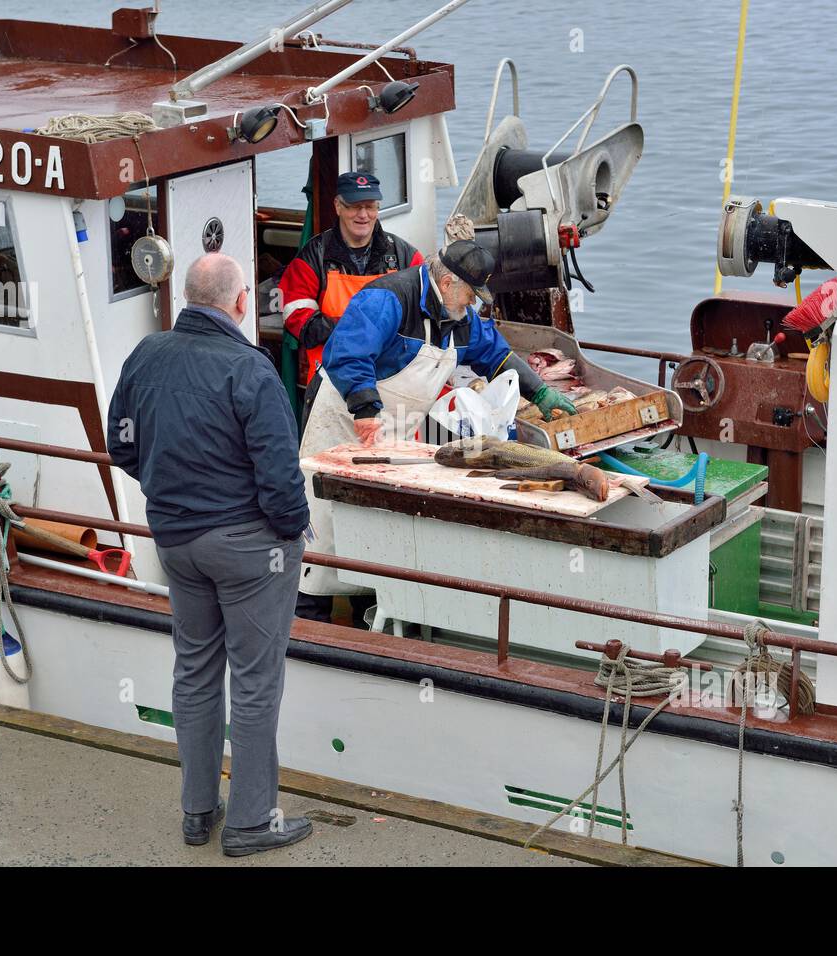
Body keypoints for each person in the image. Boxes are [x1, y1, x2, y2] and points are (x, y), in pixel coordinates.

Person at [106, 252, 314, 857]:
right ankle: (251, 821)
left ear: (185, 299)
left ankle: (198, 812)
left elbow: (120, 442)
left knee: (193, 671)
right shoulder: (250, 370)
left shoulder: (146, 355)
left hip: (176, 539)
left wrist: (164, 488)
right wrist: (295, 531)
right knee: (254, 681)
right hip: (250, 549)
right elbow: (279, 478)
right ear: (240, 302)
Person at [294, 238, 579, 616]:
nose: (473, 304)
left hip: (389, 435)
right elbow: (350, 354)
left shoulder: (461, 322)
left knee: (373, 525)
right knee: (323, 523)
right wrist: (364, 410)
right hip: (343, 420)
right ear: (447, 284)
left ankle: (368, 613)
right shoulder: (389, 298)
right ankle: (307, 620)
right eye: (470, 295)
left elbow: (497, 355)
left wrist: (540, 392)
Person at [279, 171, 423, 388]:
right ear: (338, 206)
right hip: (329, 379)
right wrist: (355, 332)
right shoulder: (313, 255)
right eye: (355, 206)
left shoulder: (406, 256)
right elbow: (295, 314)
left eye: (370, 206)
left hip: (392, 378)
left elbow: (425, 311)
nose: (363, 215)